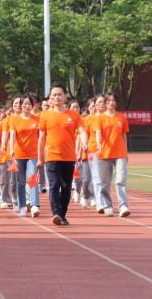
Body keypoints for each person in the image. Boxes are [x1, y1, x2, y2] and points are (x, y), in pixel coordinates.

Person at [37, 85, 87, 226]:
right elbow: (41, 138)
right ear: (50, 98)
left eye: (59, 94)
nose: (57, 97)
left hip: (69, 157)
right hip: (52, 156)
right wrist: (40, 158)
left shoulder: (73, 115)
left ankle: (62, 214)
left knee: (66, 188)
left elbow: (82, 131)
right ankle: (56, 213)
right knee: (54, 185)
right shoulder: (45, 115)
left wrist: (84, 142)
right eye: (54, 95)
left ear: (65, 96)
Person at [96, 92, 130, 217]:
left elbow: (124, 135)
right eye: (109, 100)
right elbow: (98, 132)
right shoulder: (100, 118)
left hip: (120, 153)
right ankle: (107, 205)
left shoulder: (122, 117)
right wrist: (99, 144)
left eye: (113, 100)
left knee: (120, 180)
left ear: (116, 102)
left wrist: (126, 152)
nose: (111, 103)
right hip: (105, 153)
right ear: (105, 103)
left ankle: (123, 205)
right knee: (105, 182)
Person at [9, 94, 41, 218]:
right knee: (21, 182)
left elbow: (41, 137)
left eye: (29, 104)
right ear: (21, 106)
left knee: (32, 179)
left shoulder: (37, 119)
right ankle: (22, 205)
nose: (27, 106)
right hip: (19, 154)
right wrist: (11, 148)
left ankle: (34, 205)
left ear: (32, 106)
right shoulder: (15, 120)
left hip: (33, 154)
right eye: (24, 104)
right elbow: (12, 135)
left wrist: (41, 152)